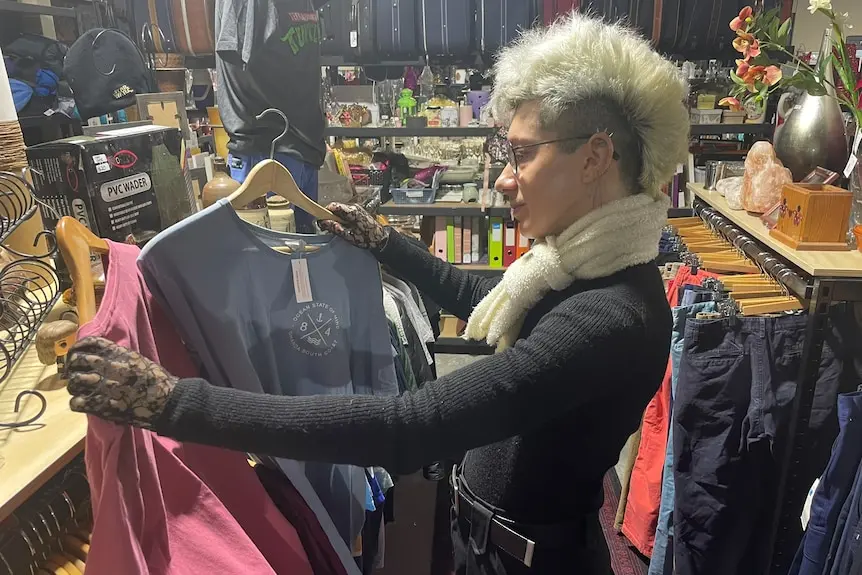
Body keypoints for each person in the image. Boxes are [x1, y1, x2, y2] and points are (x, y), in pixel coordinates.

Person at [65, 14, 690, 575]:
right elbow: (481, 297)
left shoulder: (613, 315)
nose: (503, 178)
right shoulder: (575, 267)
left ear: (595, 158)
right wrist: (387, 244)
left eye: (521, 154)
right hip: (493, 540)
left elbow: (411, 426)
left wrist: (177, 404)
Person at [215, 0, 330, 232]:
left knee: (306, 261)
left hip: (305, 149)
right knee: (268, 262)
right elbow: (237, 62)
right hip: (267, 152)